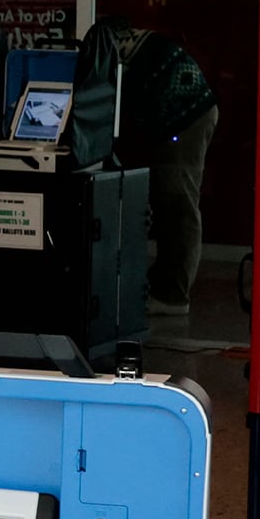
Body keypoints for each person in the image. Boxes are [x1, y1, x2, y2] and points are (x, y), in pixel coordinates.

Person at [100, 19, 218, 316]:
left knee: (177, 204)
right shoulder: (123, 41)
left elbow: (118, 113)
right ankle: (165, 283)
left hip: (183, 119)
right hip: (182, 115)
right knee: (171, 204)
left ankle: (173, 296)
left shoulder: (112, 52)